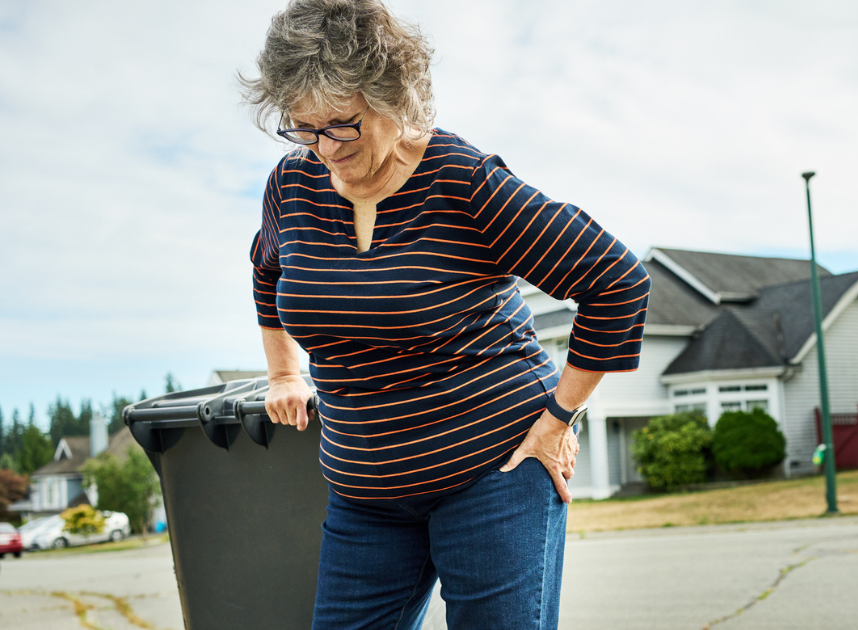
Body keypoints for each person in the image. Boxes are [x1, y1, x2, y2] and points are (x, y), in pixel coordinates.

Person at [239, 1, 650, 629]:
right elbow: (269, 272)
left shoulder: (462, 181)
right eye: (303, 128)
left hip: (494, 469)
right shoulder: (292, 185)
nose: (322, 148)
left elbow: (616, 282)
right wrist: (282, 375)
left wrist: (560, 418)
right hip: (363, 492)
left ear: (390, 98)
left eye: (339, 126)